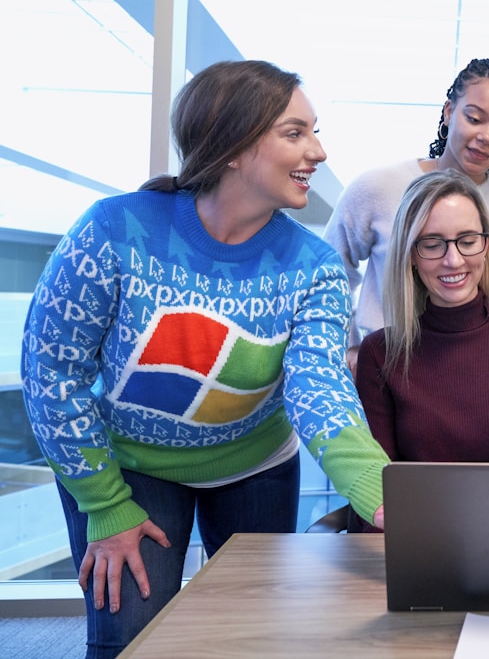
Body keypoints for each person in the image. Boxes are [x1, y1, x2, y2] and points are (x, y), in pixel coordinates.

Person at [19, 60, 390, 658]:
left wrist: (379, 488)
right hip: (131, 469)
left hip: (255, 465)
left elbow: (319, 387)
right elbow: (50, 374)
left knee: (251, 640)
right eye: (296, 133)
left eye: (314, 131)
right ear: (236, 146)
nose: (318, 150)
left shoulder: (314, 268)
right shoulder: (112, 231)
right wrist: (105, 505)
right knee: (128, 639)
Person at [348, 171, 489, 529]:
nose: (453, 260)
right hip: (420, 540)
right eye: (432, 243)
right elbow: (379, 481)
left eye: (467, 240)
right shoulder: (381, 352)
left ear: (485, 244)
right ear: (411, 256)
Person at [323, 58, 489, 371]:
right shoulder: (377, 187)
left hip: (465, 376)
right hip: (380, 369)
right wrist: (351, 345)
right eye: (475, 118)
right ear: (449, 111)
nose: (488, 137)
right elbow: (330, 271)